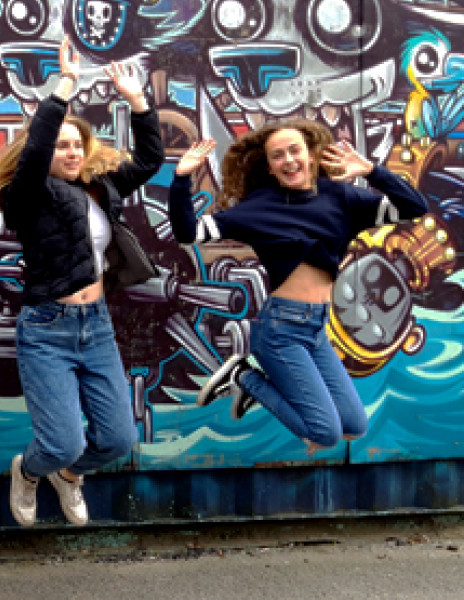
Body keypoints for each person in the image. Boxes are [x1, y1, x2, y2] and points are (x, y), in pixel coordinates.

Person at [0, 36, 164, 526]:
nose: (71, 152)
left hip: (96, 326)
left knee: (118, 440)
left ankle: (68, 476)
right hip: (47, 328)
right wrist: (65, 85)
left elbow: (150, 160)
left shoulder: (101, 188)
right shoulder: (27, 195)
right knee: (61, 442)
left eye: (77, 145)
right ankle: (29, 471)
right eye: (62, 145)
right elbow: (37, 147)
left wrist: (137, 100)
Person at [168, 122, 428, 454]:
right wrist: (182, 178)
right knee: (324, 434)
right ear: (269, 167)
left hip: (317, 326)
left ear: (311, 155)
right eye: (278, 156)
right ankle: (243, 377)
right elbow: (188, 233)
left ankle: (243, 377)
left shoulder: (341, 197)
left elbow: (414, 207)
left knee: (354, 427)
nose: (289, 160)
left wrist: (371, 171)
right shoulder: (260, 207)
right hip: (281, 329)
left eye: (295, 151)